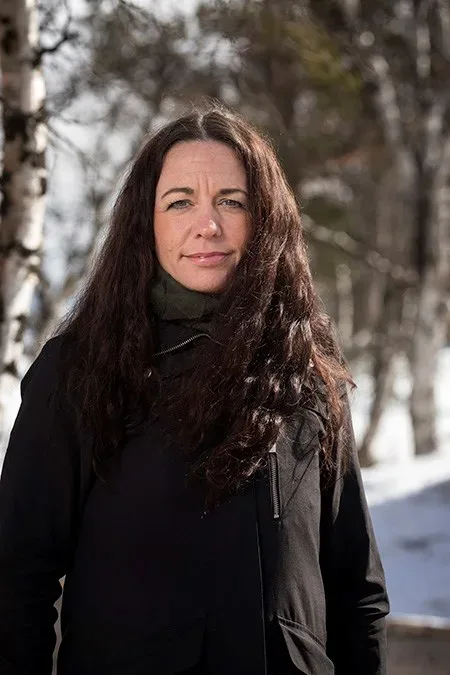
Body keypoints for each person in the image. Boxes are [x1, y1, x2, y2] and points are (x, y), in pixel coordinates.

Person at [0, 104, 389, 675]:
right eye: (180, 201)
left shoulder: (307, 372)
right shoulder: (80, 369)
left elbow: (358, 591)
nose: (207, 225)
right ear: (145, 222)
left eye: (231, 201)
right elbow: (16, 579)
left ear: (265, 218)